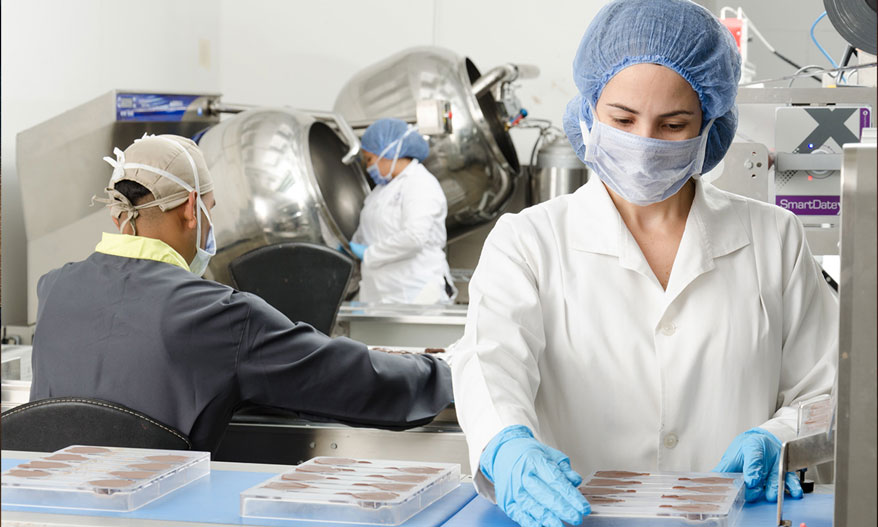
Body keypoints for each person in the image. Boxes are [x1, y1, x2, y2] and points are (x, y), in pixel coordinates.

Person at [450, 2, 838, 527]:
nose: (644, 143)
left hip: (731, 519)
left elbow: (826, 387)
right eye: (622, 119)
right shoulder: (528, 241)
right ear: (589, 112)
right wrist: (506, 444)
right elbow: (490, 365)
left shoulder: (774, 237)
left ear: (710, 125)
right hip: (577, 519)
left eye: (674, 124)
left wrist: (779, 438)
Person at [29, 134, 453, 451]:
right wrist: (449, 372)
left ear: (117, 210)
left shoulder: (53, 289)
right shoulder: (215, 315)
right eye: (210, 209)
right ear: (191, 209)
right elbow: (349, 379)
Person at [349, 118, 457, 304]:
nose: (368, 167)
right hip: (380, 296)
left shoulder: (420, 183)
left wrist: (368, 253)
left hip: (416, 294)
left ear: (389, 151)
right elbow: (369, 230)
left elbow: (414, 237)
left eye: (370, 159)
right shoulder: (380, 190)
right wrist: (350, 246)